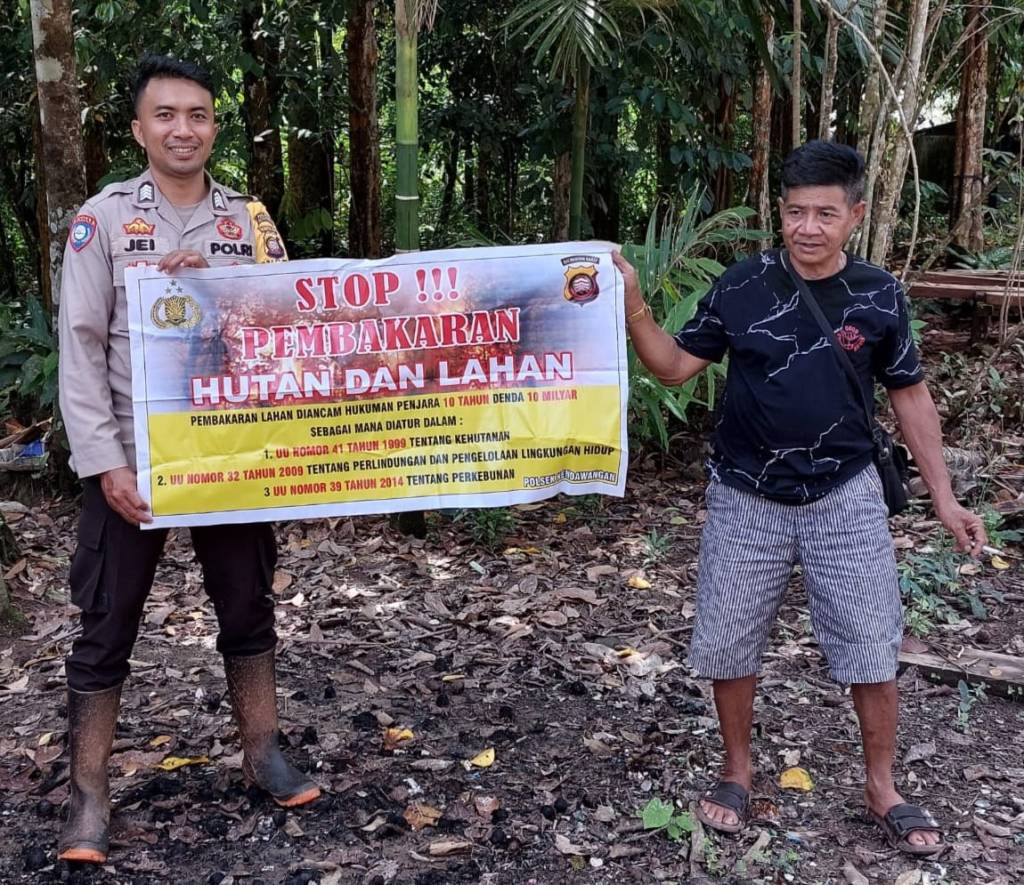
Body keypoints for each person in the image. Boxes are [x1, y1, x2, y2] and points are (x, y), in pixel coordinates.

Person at [614, 140, 986, 857]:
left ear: (855, 215)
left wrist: (943, 497)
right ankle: (737, 772)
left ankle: (882, 786)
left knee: (871, 642)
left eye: (824, 214)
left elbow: (910, 394)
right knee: (729, 638)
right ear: (779, 211)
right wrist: (634, 305)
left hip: (844, 493)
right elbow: (674, 368)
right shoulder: (743, 284)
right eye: (794, 212)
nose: (807, 227)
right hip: (745, 493)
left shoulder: (879, 294)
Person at [57, 54, 319, 865]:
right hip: (133, 459)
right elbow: (80, 345)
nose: (183, 129)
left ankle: (263, 750)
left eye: (198, 114)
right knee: (107, 621)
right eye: (166, 115)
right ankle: (88, 791)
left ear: (214, 126)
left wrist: (223, 287)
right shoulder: (102, 221)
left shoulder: (249, 223)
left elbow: (290, 323)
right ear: (139, 129)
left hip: (229, 454)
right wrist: (104, 462)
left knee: (247, 604)